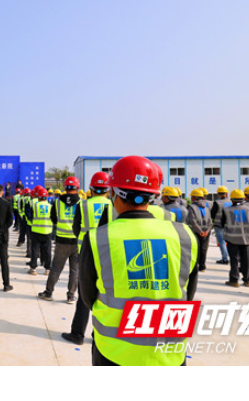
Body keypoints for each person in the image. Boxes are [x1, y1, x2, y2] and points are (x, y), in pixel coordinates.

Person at [80, 156, 199, 366]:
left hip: (114, 350)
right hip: (168, 351)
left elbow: (88, 296)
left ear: (114, 193)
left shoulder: (98, 238)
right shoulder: (185, 236)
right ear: (153, 196)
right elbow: (188, 292)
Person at [39, 176, 82, 304]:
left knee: (56, 268)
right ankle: (71, 296)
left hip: (62, 240)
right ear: (77, 188)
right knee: (75, 269)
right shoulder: (82, 202)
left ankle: (48, 293)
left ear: (65, 187)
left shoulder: (57, 202)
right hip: (76, 240)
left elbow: (53, 218)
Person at [221, 189, 249, 288]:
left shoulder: (227, 210)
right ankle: (247, 280)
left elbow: (223, 223)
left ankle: (234, 280)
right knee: (246, 259)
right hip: (247, 238)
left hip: (232, 238)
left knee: (234, 260)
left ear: (232, 200)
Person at [26, 187, 53, 276]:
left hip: (36, 230)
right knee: (47, 251)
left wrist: (33, 223)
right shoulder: (50, 207)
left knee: (35, 250)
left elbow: (29, 216)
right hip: (47, 231)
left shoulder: (35, 205)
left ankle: (33, 268)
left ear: (38, 197)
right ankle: (48, 269)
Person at [186, 189, 213, 272]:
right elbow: (210, 222)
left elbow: (192, 221)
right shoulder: (206, 207)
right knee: (204, 249)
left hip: (196, 232)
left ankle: (195, 266)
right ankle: (202, 266)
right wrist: (207, 231)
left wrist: (200, 231)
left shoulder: (191, 207)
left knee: (195, 248)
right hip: (206, 232)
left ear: (194, 198)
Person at [211, 186, 233, 265]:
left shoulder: (217, 203)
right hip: (230, 225)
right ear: (226, 193)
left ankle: (225, 258)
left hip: (219, 225)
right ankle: (232, 258)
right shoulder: (231, 201)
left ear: (218, 194)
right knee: (231, 242)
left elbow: (212, 214)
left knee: (222, 242)